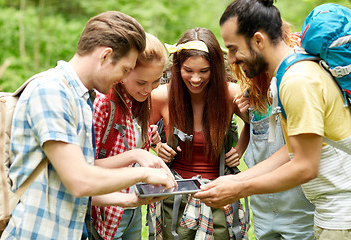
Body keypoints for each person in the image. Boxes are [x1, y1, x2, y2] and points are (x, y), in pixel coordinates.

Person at [1, 11, 176, 240]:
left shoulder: (81, 99)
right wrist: (142, 173)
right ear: (105, 56)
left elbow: (67, 186)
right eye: (124, 69)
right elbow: (80, 181)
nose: (121, 79)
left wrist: (129, 200)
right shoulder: (51, 91)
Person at [194, 0, 351, 239]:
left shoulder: (297, 81)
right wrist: (228, 182)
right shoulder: (290, 73)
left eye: (234, 48)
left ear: (258, 40)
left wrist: (239, 189)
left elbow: (305, 167)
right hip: (331, 214)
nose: (232, 59)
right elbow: (293, 149)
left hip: (341, 217)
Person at [150, 27, 249, 240]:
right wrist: (157, 146)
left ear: (215, 68)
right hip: (175, 197)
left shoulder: (230, 93)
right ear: (177, 67)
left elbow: (257, 122)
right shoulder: (161, 96)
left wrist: (240, 147)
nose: (196, 79)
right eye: (188, 70)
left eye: (204, 71)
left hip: (220, 193)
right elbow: (138, 132)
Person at [228, 21, 315, 239]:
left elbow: (296, 150)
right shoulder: (251, 92)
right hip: (263, 208)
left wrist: (239, 185)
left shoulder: (293, 84)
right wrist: (247, 119)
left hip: (299, 210)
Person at [90, 32, 168, 240]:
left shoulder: (140, 101)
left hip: (134, 203)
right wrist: (134, 154)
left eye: (156, 81)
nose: (149, 89)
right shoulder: (104, 104)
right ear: (124, 72)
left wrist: (149, 143)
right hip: (107, 209)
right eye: (141, 82)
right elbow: (87, 166)